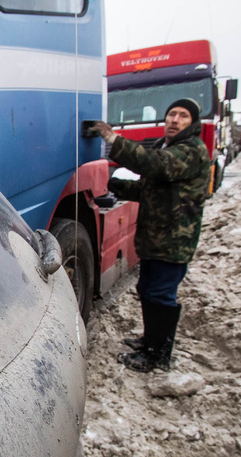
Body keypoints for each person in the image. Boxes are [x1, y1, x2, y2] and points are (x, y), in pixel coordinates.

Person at [90, 98, 211, 373]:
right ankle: (150, 341)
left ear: (192, 124)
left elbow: (154, 165)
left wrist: (113, 139)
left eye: (182, 116)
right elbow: (147, 189)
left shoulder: (191, 151)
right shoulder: (166, 146)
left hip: (173, 241)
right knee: (148, 290)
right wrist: (110, 183)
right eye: (171, 114)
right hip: (155, 238)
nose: (174, 119)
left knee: (161, 294)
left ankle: (157, 356)